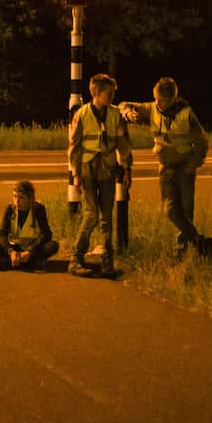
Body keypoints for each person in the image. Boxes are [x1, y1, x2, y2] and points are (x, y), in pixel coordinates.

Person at [120, 76, 212, 260]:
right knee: (170, 211)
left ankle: (181, 250)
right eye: (155, 98)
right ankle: (201, 242)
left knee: (186, 212)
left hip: (185, 169)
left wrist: (192, 166)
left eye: (161, 99)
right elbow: (124, 104)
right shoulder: (152, 109)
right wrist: (128, 113)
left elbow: (202, 144)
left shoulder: (187, 115)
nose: (157, 102)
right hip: (166, 169)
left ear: (173, 98)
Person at [68, 73, 133, 278]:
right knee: (91, 214)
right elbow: (75, 147)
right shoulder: (82, 114)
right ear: (96, 93)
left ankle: (107, 261)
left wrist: (126, 168)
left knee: (106, 217)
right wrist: (76, 174)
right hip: (88, 169)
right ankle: (76, 258)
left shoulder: (115, 115)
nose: (112, 96)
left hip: (107, 169)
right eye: (109, 92)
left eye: (113, 92)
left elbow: (123, 145)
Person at [0, 180, 60, 271]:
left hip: (32, 247)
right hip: (14, 247)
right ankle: (31, 263)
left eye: (21, 198)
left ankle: (11, 263)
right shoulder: (10, 209)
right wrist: (11, 252)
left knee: (53, 245)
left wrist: (30, 252)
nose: (17, 201)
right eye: (15, 197)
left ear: (30, 198)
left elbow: (46, 234)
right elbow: (2, 234)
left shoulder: (38, 209)